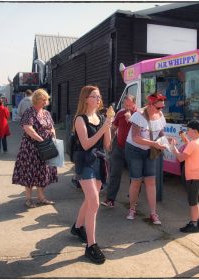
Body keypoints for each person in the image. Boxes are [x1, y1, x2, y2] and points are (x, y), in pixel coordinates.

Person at [71, 85, 112, 264]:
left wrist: (108, 126)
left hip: (99, 161)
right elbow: (86, 144)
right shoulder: (80, 119)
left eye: (99, 96)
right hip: (85, 162)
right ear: (86, 99)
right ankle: (91, 245)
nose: (98, 99)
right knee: (94, 202)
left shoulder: (101, 117)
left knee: (89, 200)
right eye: (94, 96)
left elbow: (108, 145)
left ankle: (78, 227)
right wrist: (103, 129)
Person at [125, 92, 167, 225]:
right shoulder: (139, 116)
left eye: (162, 107)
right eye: (159, 107)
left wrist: (167, 140)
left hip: (149, 150)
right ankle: (132, 209)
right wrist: (154, 144)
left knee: (150, 181)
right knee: (136, 181)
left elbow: (159, 132)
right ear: (150, 104)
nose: (161, 110)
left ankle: (153, 213)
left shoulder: (160, 115)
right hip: (134, 150)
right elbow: (136, 137)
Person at [12, 89, 57, 208]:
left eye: (46, 99)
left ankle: (41, 198)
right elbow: (28, 128)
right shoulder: (29, 112)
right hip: (31, 148)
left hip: (46, 147)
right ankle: (28, 199)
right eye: (43, 99)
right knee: (29, 172)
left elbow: (51, 126)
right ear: (36, 99)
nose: (46, 101)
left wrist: (53, 135)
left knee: (43, 172)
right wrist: (41, 140)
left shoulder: (46, 113)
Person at [169, 120, 199, 233]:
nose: (187, 132)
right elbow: (190, 147)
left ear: (194, 131)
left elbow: (180, 158)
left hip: (193, 177)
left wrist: (173, 147)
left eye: (188, 130)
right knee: (197, 201)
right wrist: (185, 139)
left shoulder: (192, 144)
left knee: (192, 202)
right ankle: (198, 221)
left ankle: (194, 224)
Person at [101, 95, 137, 208]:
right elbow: (114, 128)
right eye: (125, 105)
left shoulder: (139, 114)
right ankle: (110, 199)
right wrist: (111, 141)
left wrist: (130, 118)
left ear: (134, 104)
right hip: (119, 147)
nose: (127, 108)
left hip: (133, 149)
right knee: (114, 173)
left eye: (129, 105)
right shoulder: (120, 113)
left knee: (135, 175)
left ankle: (133, 198)